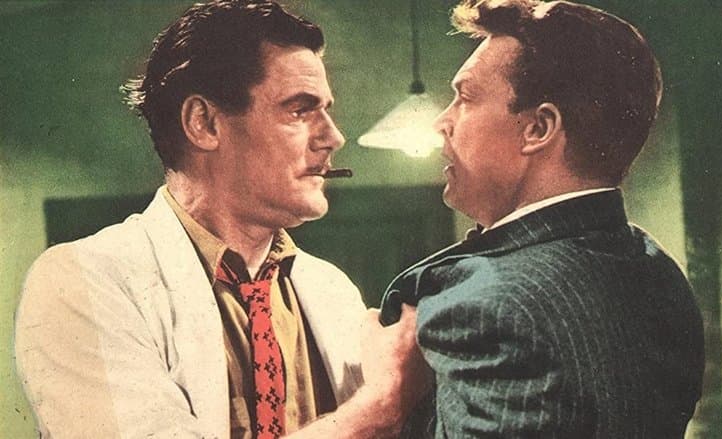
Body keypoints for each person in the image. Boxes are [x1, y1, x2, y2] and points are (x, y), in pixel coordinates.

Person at [14, 1, 427, 438]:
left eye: (326, 110)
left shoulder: (332, 290)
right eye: (300, 110)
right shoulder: (81, 282)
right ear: (204, 123)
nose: (333, 137)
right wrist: (377, 409)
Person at [380, 0, 705, 437]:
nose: (442, 122)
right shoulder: (660, 272)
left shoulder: (489, 308)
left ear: (538, 128)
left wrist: (377, 405)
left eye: (465, 97)